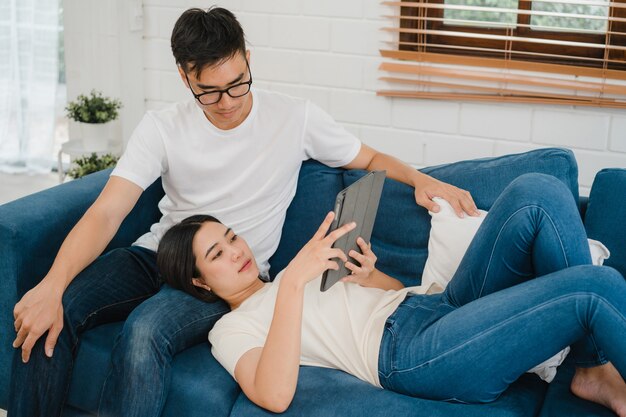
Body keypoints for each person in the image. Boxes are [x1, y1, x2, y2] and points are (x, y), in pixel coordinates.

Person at [8, 6, 479, 417]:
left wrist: (421, 179)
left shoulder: (294, 117)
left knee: (145, 332)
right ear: (184, 76)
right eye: (208, 92)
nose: (228, 102)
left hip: (219, 279)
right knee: (52, 308)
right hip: (154, 254)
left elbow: (370, 160)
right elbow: (107, 212)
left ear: (248, 60)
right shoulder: (162, 127)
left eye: (237, 84)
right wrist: (52, 285)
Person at [157, 173, 626, 416]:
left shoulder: (290, 275)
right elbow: (273, 395)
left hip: (430, 308)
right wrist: (294, 284)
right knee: (597, 288)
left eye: (232, 237)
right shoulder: (231, 329)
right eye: (217, 253)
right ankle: (596, 369)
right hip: (411, 356)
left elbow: (396, 298)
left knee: (535, 191)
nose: (236, 251)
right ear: (199, 281)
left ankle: (590, 367)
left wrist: (370, 277)